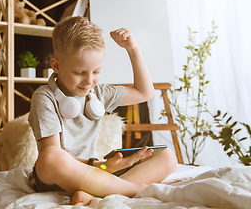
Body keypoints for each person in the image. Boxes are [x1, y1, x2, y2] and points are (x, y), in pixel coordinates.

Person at [28, 16, 177, 206]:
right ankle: (136, 190)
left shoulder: (98, 92)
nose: (89, 81)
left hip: (97, 172)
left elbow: (145, 92)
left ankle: (95, 195)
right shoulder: (44, 97)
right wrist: (100, 166)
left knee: (167, 157)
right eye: (80, 72)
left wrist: (133, 49)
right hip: (59, 177)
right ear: (56, 66)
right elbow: (54, 154)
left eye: (96, 71)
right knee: (50, 157)